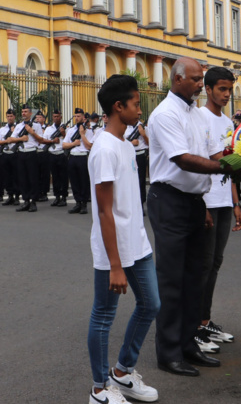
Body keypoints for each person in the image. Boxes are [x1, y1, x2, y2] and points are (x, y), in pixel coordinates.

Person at [147, 57, 226, 377]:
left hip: (194, 201)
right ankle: (168, 352)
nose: (199, 84)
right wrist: (225, 168)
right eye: (195, 79)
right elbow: (183, 160)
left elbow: (213, 154)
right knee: (171, 280)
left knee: (196, 276)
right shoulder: (165, 114)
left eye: (200, 79)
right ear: (177, 79)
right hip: (169, 200)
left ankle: (188, 344)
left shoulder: (197, 114)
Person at [86, 74, 160, 404]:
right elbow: (104, 212)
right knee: (103, 316)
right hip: (112, 250)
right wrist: (115, 265)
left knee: (151, 304)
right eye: (135, 103)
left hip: (137, 243)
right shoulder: (103, 150)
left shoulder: (126, 145)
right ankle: (100, 388)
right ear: (118, 107)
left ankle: (123, 371)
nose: (139, 109)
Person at [198, 67, 241, 353]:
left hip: (224, 201)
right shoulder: (199, 119)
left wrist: (236, 203)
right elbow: (207, 161)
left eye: (229, 90)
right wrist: (201, 205)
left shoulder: (227, 121)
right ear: (208, 89)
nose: (227, 95)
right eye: (222, 89)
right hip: (206, 202)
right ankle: (195, 326)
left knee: (215, 264)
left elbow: (231, 168)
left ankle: (205, 320)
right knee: (202, 266)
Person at [7, 104, 44, 212]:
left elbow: (41, 140)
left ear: (30, 113)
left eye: (26, 111)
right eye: (22, 111)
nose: (24, 113)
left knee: (33, 178)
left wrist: (32, 133)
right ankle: (26, 201)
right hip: (21, 153)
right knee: (22, 179)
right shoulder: (18, 126)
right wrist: (21, 138)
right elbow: (11, 139)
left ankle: (33, 202)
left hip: (31, 153)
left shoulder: (36, 126)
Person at [64, 107, 94, 215]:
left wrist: (82, 134)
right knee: (74, 181)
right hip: (72, 156)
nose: (77, 118)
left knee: (83, 181)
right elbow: (64, 144)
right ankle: (77, 202)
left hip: (82, 157)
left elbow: (89, 146)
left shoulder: (88, 131)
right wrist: (73, 144)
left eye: (79, 116)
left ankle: (84, 204)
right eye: (75, 116)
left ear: (83, 118)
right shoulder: (71, 130)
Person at [44, 110, 69, 207]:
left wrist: (63, 134)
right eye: (54, 116)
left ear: (61, 117)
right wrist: (52, 141)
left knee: (63, 177)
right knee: (55, 177)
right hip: (52, 154)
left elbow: (69, 141)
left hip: (62, 154)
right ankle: (57, 197)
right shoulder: (49, 129)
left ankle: (64, 197)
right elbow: (44, 140)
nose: (56, 118)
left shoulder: (67, 129)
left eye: (58, 116)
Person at [125, 110, 149, 210]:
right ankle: (130, 204)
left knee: (141, 181)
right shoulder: (125, 127)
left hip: (140, 156)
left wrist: (143, 134)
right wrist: (131, 143)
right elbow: (120, 142)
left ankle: (141, 204)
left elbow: (150, 143)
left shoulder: (143, 127)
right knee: (129, 180)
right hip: (129, 155)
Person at [0, 109, 20, 206]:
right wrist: (7, 141)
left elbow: (21, 140)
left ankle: (17, 196)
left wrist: (13, 137)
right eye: (8, 116)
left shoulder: (18, 128)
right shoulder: (2, 129)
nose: (9, 118)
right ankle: (10, 196)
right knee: (6, 176)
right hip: (5, 154)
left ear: (14, 117)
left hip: (15, 154)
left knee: (16, 176)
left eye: (11, 116)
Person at [34, 110, 51, 202]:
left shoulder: (48, 128)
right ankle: (37, 192)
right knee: (36, 173)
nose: (37, 119)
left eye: (39, 117)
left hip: (44, 152)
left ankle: (44, 193)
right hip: (36, 151)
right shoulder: (34, 128)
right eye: (36, 118)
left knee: (44, 173)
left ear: (43, 119)